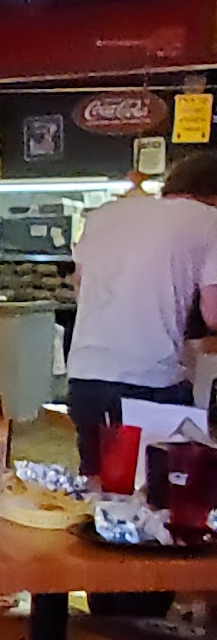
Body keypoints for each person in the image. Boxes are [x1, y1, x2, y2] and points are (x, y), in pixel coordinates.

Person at [68, 153, 217, 476]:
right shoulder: (209, 221)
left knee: (97, 485)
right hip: (151, 380)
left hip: (85, 374)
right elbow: (213, 313)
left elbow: (80, 288)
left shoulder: (105, 214)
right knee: (161, 489)